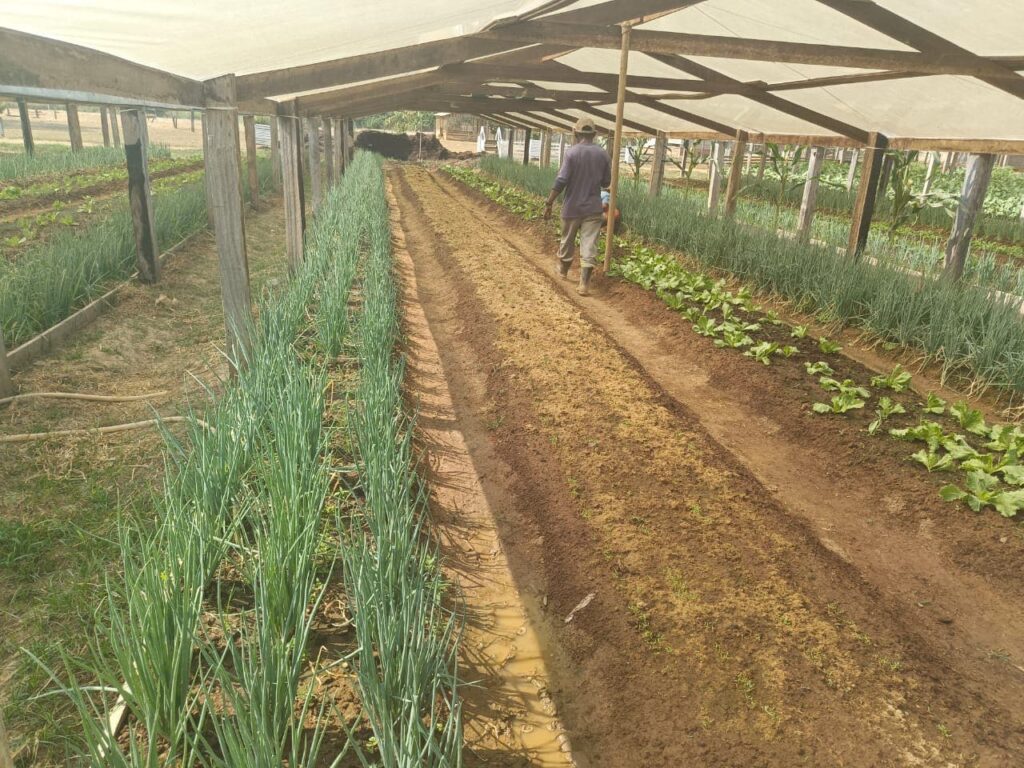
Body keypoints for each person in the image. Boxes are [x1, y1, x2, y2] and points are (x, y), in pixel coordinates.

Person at [543, 116, 611, 296]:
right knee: (589, 244)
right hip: (593, 208)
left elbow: (561, 180)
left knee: (567, 240)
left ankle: (564, 271)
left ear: (576, 133)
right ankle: (584, 284)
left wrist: (549, 202)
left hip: (572, 207)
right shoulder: (603, 154)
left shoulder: (571, 153)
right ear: (594, 134)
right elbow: (607, 182)